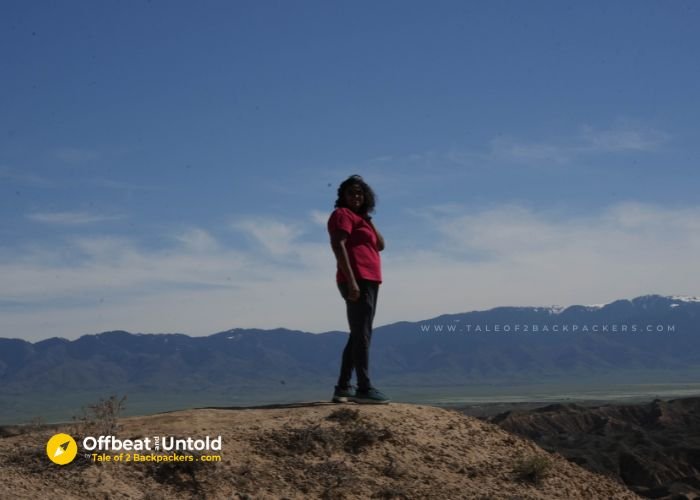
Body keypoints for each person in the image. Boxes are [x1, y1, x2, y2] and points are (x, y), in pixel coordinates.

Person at [327, 175, 390, 404]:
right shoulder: (341, 215)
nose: (356, 196)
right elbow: (338, 244)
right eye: (351, 192)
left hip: (370, 279)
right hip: (357, 278)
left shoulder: (361, 218)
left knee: (359, 334)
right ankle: (364, 388)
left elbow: (380, 245)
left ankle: (343, 386)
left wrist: (368, 219)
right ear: (342, 196)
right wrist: (351, 280)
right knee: (362, 334)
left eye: (360, 193)